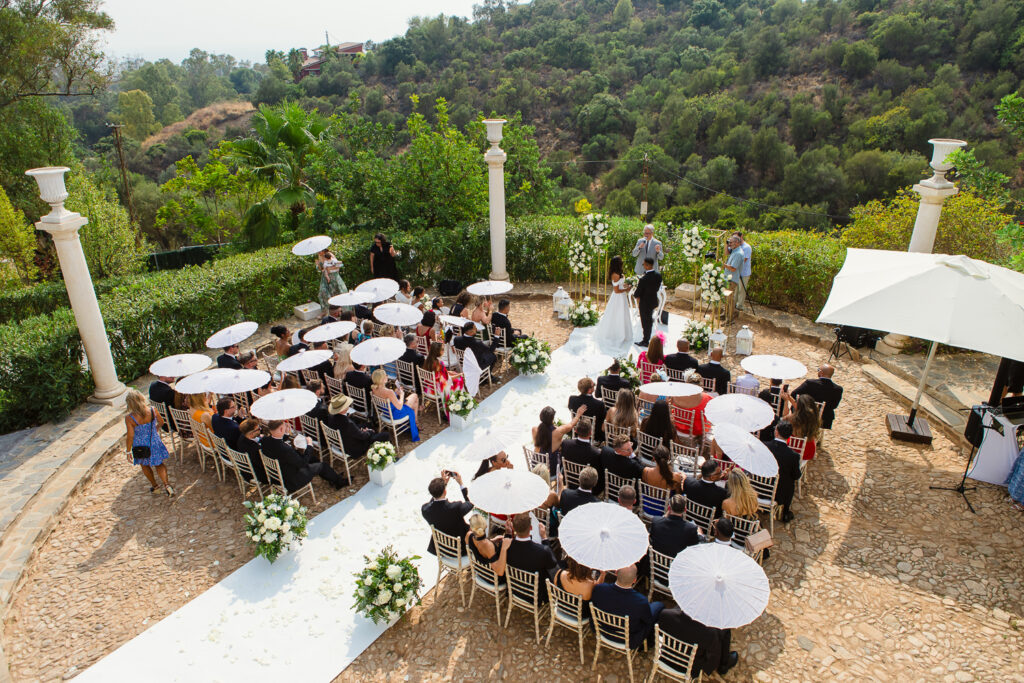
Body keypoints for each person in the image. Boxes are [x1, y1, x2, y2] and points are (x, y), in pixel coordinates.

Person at [591, 563, 664, 649]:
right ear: (634, 580)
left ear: (616, 573)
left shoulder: (599, 589)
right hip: (629, 640)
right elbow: (648, 620)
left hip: (601, 630)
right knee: (659, 605)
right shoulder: (640, 601)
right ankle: (650, 642)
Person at [261, 419, 349, 490]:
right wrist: (309, 445)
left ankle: (332, 477)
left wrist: (287, 433)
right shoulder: (286, 449)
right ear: (280, 429)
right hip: (293, 479)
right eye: (284, 427)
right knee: (323, 465)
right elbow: (302, 463)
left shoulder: (265, 441)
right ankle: (339, 482)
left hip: (280, 472)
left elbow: (277, 441)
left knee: (313, 459)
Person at [123, 389, 173, 496]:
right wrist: (156, 428)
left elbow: (130, 435)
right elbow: (162, 422)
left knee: (145, 466)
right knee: (159, 464)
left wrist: (128, 451)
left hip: (140, 445)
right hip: (154, 442)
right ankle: (167, 485)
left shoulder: (129, 418)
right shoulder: (152, 410)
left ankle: (155, 486)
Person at [656, 606, 729, 678]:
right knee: (724, 634)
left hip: (664, 658)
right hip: (690, 669)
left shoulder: (666, 614)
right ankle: (724, 666)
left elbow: (660, 634)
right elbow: (712, 656)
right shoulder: (710, 633)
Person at [504, 512, 558, 602]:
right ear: (531, 528)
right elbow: (554, 570)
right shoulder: (543, 551)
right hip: (537, 596)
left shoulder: (505, 546)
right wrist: (544, 538)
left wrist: (508, 534)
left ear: (513, 528)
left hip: (514, 590)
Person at [422, 471, 473, 555]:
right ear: (445, 492)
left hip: (442, 549)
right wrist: (461, 484)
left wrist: (443, 484)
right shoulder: (456, 508)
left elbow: (433, 500)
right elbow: (471, 503)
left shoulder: (425, 510)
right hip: (462, 550)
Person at [594, 255, 636, 351]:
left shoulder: (619, 273)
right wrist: (626, 289)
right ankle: (616, 334)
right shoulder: (615, 275)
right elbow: (617, 290)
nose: (622, 262)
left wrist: (628, 284)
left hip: (622, 298)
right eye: (621, 261)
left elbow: (620, 284)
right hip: (618, 298)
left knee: (622, 314)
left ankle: (623, 333)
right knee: (616, 315)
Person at [765, 420, 802, 522]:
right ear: (790, 436)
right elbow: (796, 476)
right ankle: (785, 511)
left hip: (761, 489)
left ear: (776, 432)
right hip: (778, 494)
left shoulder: (764, 446)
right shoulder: (793, 456)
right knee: (791, 483)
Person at [533, 405, 586, 473]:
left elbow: (538, 446)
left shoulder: (535, 430)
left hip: (536, 466)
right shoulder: (558, 431)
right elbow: (571, 425)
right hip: (550, 470)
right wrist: (578, 415)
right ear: (552, 419)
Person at [370, 368, 420, 442]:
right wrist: (402, 395)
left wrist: (395, 393)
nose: (387, 376)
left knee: (415, 402)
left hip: (386, 414)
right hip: (395, 414)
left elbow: (387, 398)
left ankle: (415, 422)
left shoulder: (374, 390)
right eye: (385, 375)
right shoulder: (389, 392)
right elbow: (399, 407)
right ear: (382, 379)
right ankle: (415, 424)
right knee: (415, 396)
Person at [791, 364, 843, 430]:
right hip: (824, 420)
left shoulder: (809, 383)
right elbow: (834, 406)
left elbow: (794, 394)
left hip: (805, 417)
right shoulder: (838, 389)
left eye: (818, 370)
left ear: (821, 373)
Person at [423, 341, 465, 417]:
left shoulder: (427, 360)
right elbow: (447, 380)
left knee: (454, 374)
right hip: (436, 388)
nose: (444, 351)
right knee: (459, 380)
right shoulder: (439, 363)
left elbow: (440, 373)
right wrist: (460, 374)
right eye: (442, 349)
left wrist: (450, 372)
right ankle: (454, 405)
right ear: (437, 352)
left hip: (428, 386)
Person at [465, 513, 510, 580]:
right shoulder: (488, 546)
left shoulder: (468, 536)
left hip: (480, 571)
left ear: (471, 528)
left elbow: (478, 546)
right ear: (485, 525)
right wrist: (504, 548)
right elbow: (500, 572)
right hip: (491, 577)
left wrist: (492, 541)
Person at [782, 391, 821, 461]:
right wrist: (790, 398)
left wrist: (786, 401)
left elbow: (784, 418)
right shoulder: (815, 417)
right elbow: (802, 408)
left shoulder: (793, 418)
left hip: (793, 449)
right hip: (809, 451)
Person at [633, 257, 662, 347]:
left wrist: (635, 295)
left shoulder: (643, 279)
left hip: (644, 302)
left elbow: (637, 293)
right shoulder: (658, 275)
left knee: (645, 321)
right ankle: (647, 338)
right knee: (648, 319)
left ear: (648, 265)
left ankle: (645, 340)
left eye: (644, 264)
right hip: (653, 300)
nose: (643, 266)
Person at [568, 377, 606, 442]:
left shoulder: (572, 399)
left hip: (577, 431)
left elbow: (570, 408)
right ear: (589, 390)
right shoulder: (599, 404)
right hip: (594, 435)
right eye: (593, 385)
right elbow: (603, 419)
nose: (594, 386)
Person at [236, 418, 269, 484]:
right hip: (258, 474)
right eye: (258, 429)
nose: (260, 429)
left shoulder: (242, 437)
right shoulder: (255, 449)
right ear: (251, 434)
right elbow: (264, 464)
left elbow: (257, 439)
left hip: (249, 467)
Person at [724, 234, 746, 310]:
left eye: (731, 242)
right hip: (728, 278)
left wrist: (723, 265)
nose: (729, 244)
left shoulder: (738, 253)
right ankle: (725, 314)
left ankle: (729, 319)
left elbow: (733, 268)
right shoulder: (734, 251)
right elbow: (726, 252)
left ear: (737, 243)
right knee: (726, 299)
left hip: (732, 280)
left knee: (729, 299)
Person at [732, 230, 752, 305]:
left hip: (744, 273)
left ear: (741, 236)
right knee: (736, 290)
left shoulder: (747, 247)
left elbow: (743, 261)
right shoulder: (736, 247)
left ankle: (739, 306)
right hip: (736, 272)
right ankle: (734, 306)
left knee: (741, 290)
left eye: (736, 237)